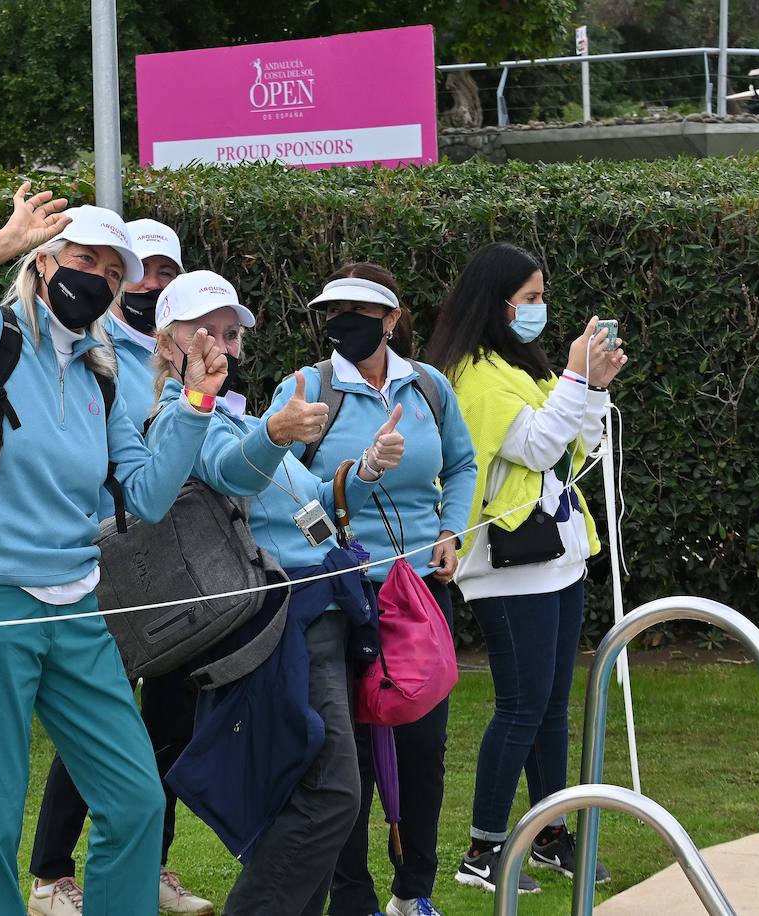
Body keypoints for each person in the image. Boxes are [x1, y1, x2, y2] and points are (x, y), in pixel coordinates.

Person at [0, 183, 229, 916]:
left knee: (134, 799)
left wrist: (196, 402)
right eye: (84, 260)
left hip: (76, 605)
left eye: (112, 272)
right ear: (44, 261)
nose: (97, 278)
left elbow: (148, 495)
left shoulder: (102, 374)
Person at [145, 270, 406, 916]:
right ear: (168, 343)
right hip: (278, 624)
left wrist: (365, 468)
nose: (223, 345)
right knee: (332, 792)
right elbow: (231, 473)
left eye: (230, 334)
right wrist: (276, 433)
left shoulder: (235, 414)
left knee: (307, 790)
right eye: (205, 332)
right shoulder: (183, 419)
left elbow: (308, 499)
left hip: (314, 614)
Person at [264, 264, 477, 916]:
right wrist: (334, 523)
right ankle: (352, 899)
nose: (343, 322)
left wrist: (451, 530)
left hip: (419, 591)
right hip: (336, 597)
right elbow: (273, 485)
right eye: (333, 311)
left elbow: (462, 463)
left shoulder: (430, 386)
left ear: (391, 319)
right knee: (345, 759)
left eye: (359, 310)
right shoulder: (305, 388)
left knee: (423, 747)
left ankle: (414, 891)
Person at [421, 242, 627, 896]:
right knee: (521, 707)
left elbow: (576, 444)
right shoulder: (474, 376)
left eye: (542, 297)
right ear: (497, 302)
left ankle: (550, 833)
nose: (540, 308)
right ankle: (483, 849)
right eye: (530, 298)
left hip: (555, 558)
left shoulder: (518, 363)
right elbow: (537, 446)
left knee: (550, 707)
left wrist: (592, 385)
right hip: (505, 564)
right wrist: (575, 378)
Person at [27, 218, 213, 916]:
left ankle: (151, 863)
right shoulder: (95, 351)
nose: (149, 284)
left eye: (165, 273)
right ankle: (50, 872)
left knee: (167, 720)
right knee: (96, 722)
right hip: (101, 558)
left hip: (172, 561)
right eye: (142, 271)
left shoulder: (193, 354)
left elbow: (173, 467)